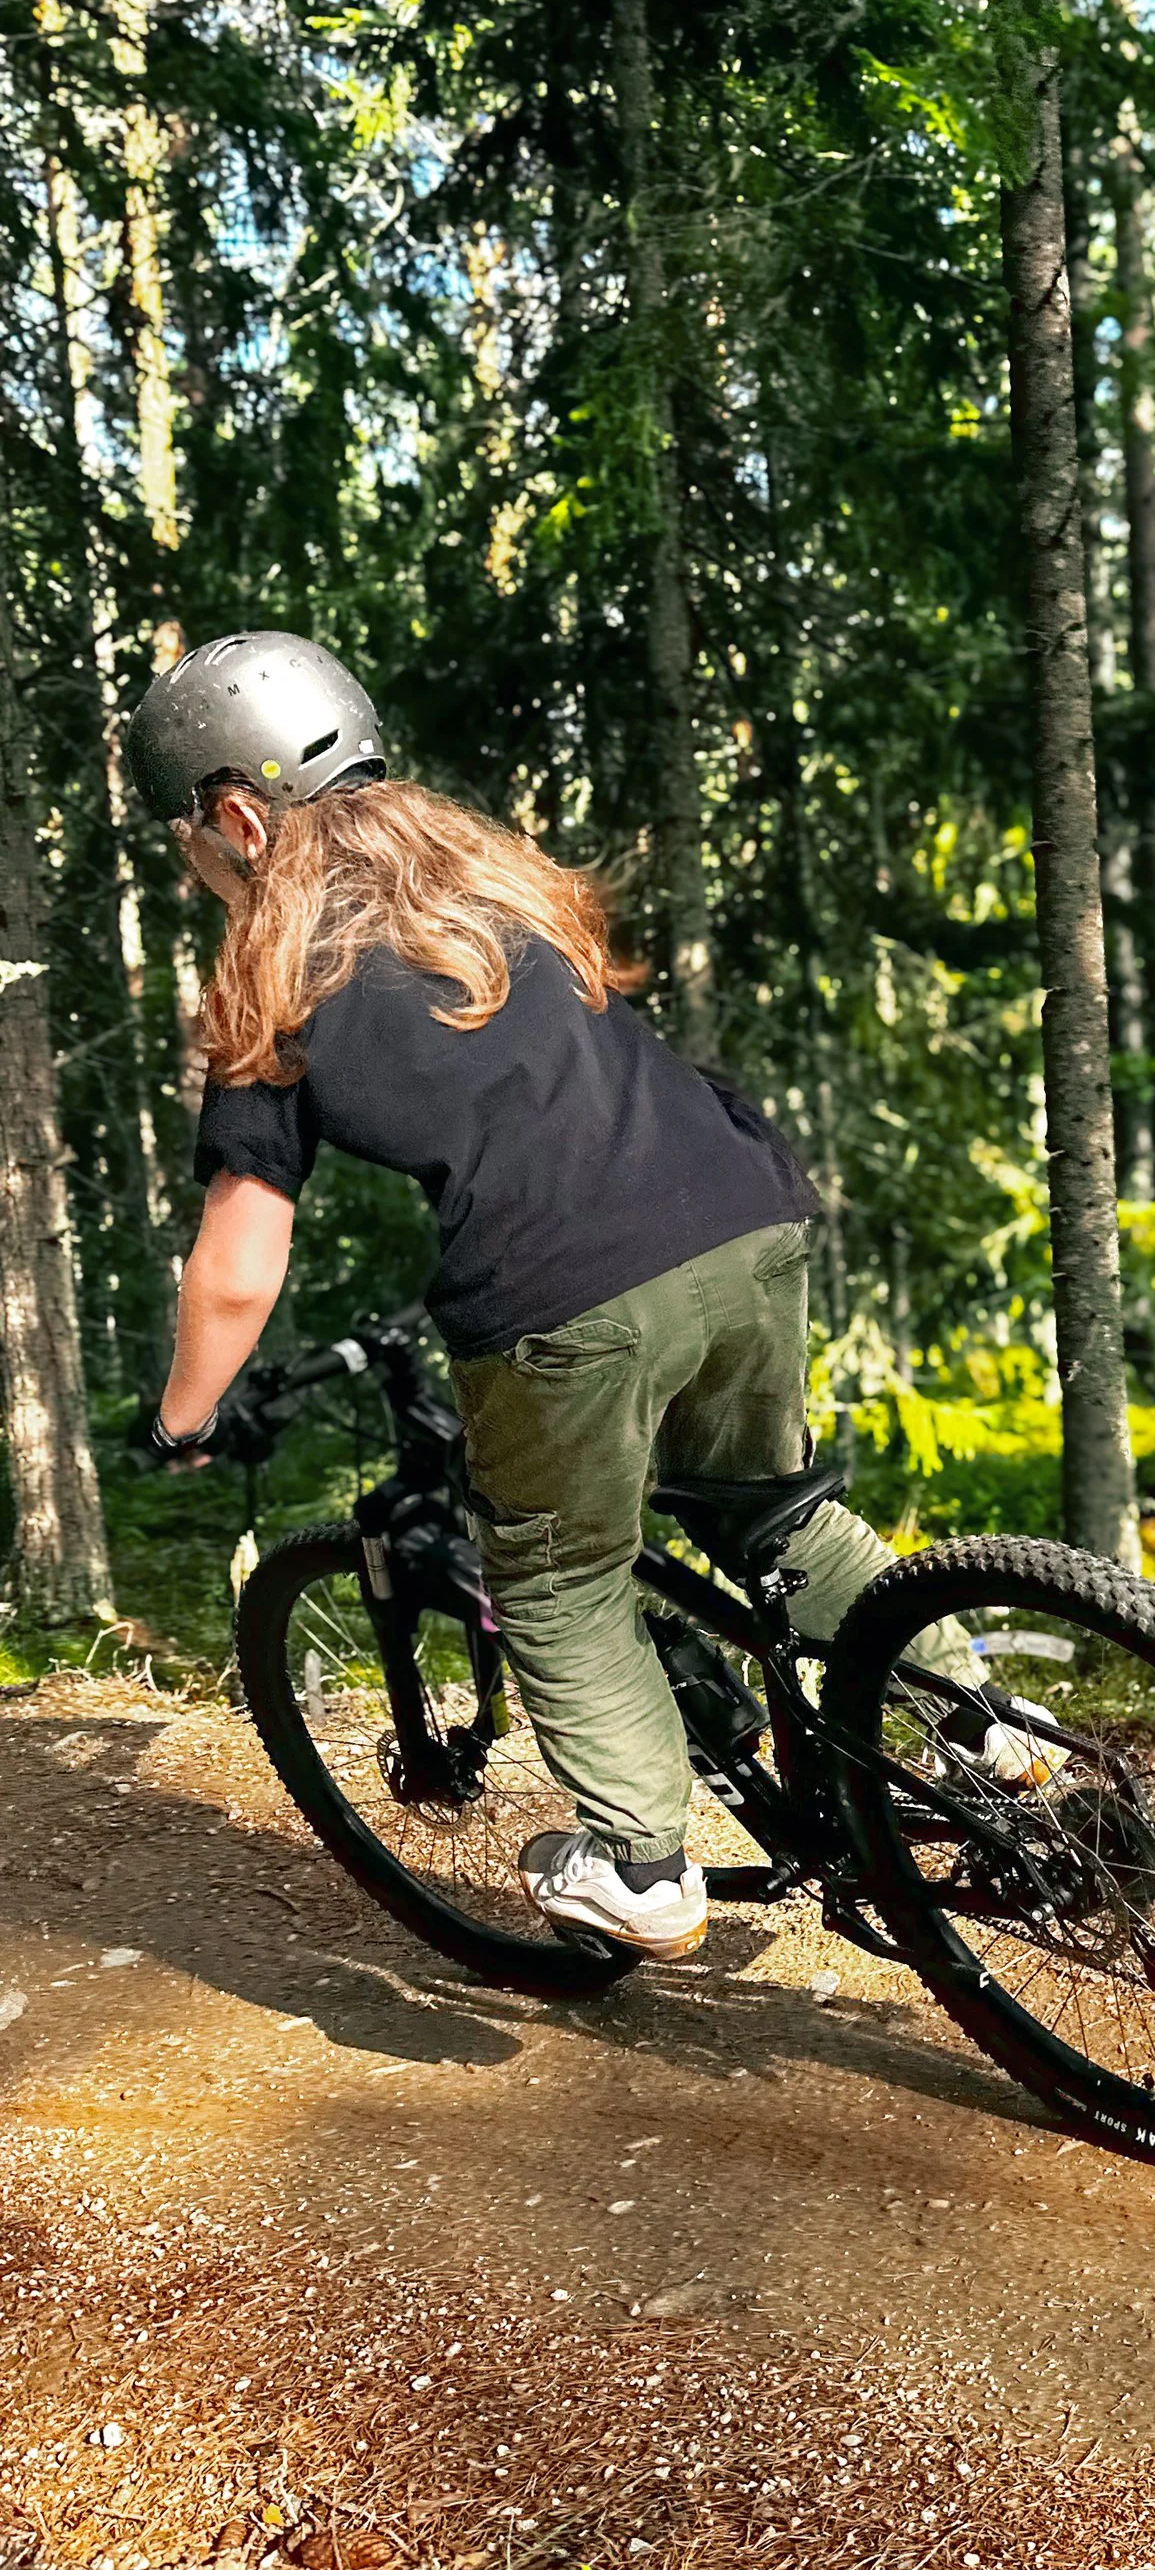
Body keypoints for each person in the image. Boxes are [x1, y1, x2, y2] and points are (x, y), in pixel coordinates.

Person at [129, 631, 1043, 1962]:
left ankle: (640, 1865)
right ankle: (986, 1724)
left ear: (234, 815)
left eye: (190, 847)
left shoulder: (271, 978)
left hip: (563, 1292)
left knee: (558, 1577)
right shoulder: (492, 885)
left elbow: (239, 1264)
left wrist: (184, 1419)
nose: (198, 871)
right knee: (772, 1510)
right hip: (746, 1212)